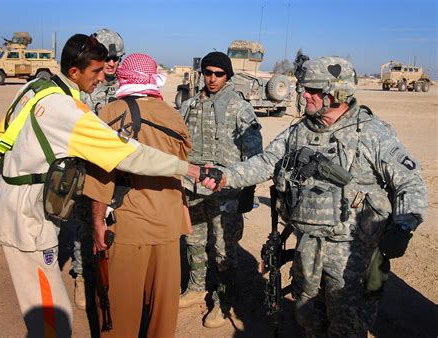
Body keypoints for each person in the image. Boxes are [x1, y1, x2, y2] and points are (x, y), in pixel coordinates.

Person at [0, 34, 203, 336]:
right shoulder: (68, 111)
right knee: (52, 319)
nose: (103, 78)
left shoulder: (34, 87)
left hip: (13, 203)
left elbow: (0, 140)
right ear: (75, 72)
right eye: (97, 72)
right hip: (29, 221)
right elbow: (126, 155)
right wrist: (187, 168)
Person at [206, 56, 428, 337]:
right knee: (307, 315)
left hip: (352, 254)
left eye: (312, 90)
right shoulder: (300, 131)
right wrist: (226, 176)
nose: (304, 95)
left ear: (337, 93)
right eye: (303, 88)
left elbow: (411, 183)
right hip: (308, 245)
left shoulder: (371, 133)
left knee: (347, 324)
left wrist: (403, 227)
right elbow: (265, 162)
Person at [83, 53, 192, 337]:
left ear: (124, 76)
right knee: (162, 315)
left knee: (119, 313)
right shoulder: (173, 114)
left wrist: (97, 223)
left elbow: (100, 177)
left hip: (129, 228)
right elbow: (180, 169)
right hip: (168, 228)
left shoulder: (111, 112)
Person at [178, 51, 263, 328]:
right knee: (193, 241)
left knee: (224, 248)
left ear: (228, 76)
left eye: (219, 73)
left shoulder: (240, 108)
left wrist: (247, 191)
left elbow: (254, 154)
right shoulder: (190, 105)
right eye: (208, 72)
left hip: (225, 192)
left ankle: (223, 301)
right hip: (193, 188)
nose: (212, 78)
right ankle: (196, 287)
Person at [71, 28, 125, 310]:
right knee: (83, 227)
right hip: (84, 171)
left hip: (116, 173)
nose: (112, 63)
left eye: (116, 58)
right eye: (107, 58)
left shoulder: (125, 89)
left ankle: (111, 278)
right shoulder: (83, 87)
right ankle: (81, 275)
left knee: (114, 226)